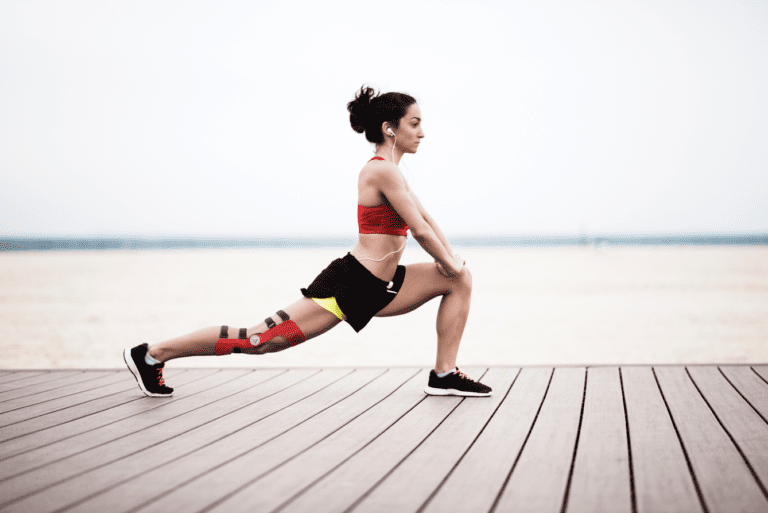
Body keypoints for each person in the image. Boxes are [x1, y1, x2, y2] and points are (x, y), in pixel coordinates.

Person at [124, 85, 492, 398]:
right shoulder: (379, 170)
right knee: (258, 341)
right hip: (350, 284)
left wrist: (451, 262)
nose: (422, 132)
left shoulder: (394, 172)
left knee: (459, 279)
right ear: (389, 128)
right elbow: (421, 232)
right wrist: (447, 258)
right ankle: (153, 354)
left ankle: (443, 375)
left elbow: (428, 220)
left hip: (384, 284)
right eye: (415, 124)